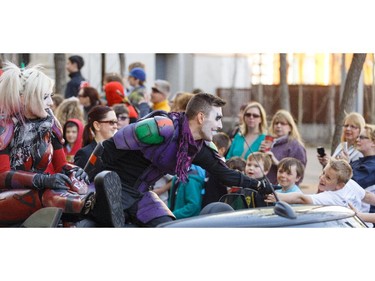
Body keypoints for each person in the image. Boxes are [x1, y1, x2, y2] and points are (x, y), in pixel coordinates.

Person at [92, 93, 271, 227]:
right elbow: (106, 149)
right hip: (111, 188)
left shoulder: (200, 148)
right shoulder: (161, 128)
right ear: (201, 117)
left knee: (168, 227)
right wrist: (86, 183)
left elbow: (225, 174)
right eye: (217, 118)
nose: (220, 126)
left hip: (140, 195)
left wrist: (259, 185)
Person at [0, 61, 95, 225]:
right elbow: (2, 176)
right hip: (8, 198)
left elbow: (61, 165)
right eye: (45, 97)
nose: (51, 102)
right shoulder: (4, 127)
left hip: (41, 192)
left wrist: (75, 172)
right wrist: (43, 180)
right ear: (24, 99)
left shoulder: (50, 124)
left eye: (50, 95)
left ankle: (91, 204)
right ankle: (89, 206)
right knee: (50, 196)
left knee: (72, 188)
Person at [265, 158, 375, 211]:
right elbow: (367, 196)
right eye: (323, 173)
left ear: (340, 185)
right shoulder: (350, 183)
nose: (321, 178)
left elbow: (301, 198)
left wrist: (277, 196)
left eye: (328, 178)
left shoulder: (330, 197)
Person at [261, 109, 307, 185]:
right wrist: (261, 154)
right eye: (276, 123)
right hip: (265, 186)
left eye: (283, 123)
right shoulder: (270, 142)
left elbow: (299, 173)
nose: (278, 126)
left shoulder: (296, 146)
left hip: (282, 190)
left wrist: (276, 162)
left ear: (290, 127)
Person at [74, 105, 118, 180]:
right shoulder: (85, 154)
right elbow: (80, 184)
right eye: (111, 122)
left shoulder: (116, 151)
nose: (115, 126)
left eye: (116, 122)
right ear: (97, 125)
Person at [201, 132, 232, 208]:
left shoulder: (223, 168)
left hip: (215, 207)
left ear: (221, 150)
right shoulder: (208, 163)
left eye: (211, 147)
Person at [350, 124, 375, 213]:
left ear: (373, 142)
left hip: (365, 222)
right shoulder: (359, 161)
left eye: (362, 137)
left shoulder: (372, 166)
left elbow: (349, 182)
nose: (357, 140)